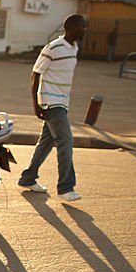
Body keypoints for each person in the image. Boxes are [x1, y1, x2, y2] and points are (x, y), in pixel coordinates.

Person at [17, 13, 87, 202]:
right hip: (50, 103)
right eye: (82, 27)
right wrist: (36, 104)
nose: (85, 30)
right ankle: (66, 187)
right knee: (66, 141)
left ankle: (28, 178)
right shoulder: (53, 47)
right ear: (71, 28)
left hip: (62, 103)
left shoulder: (74, 47)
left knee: (46, 142)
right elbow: (35, 74)